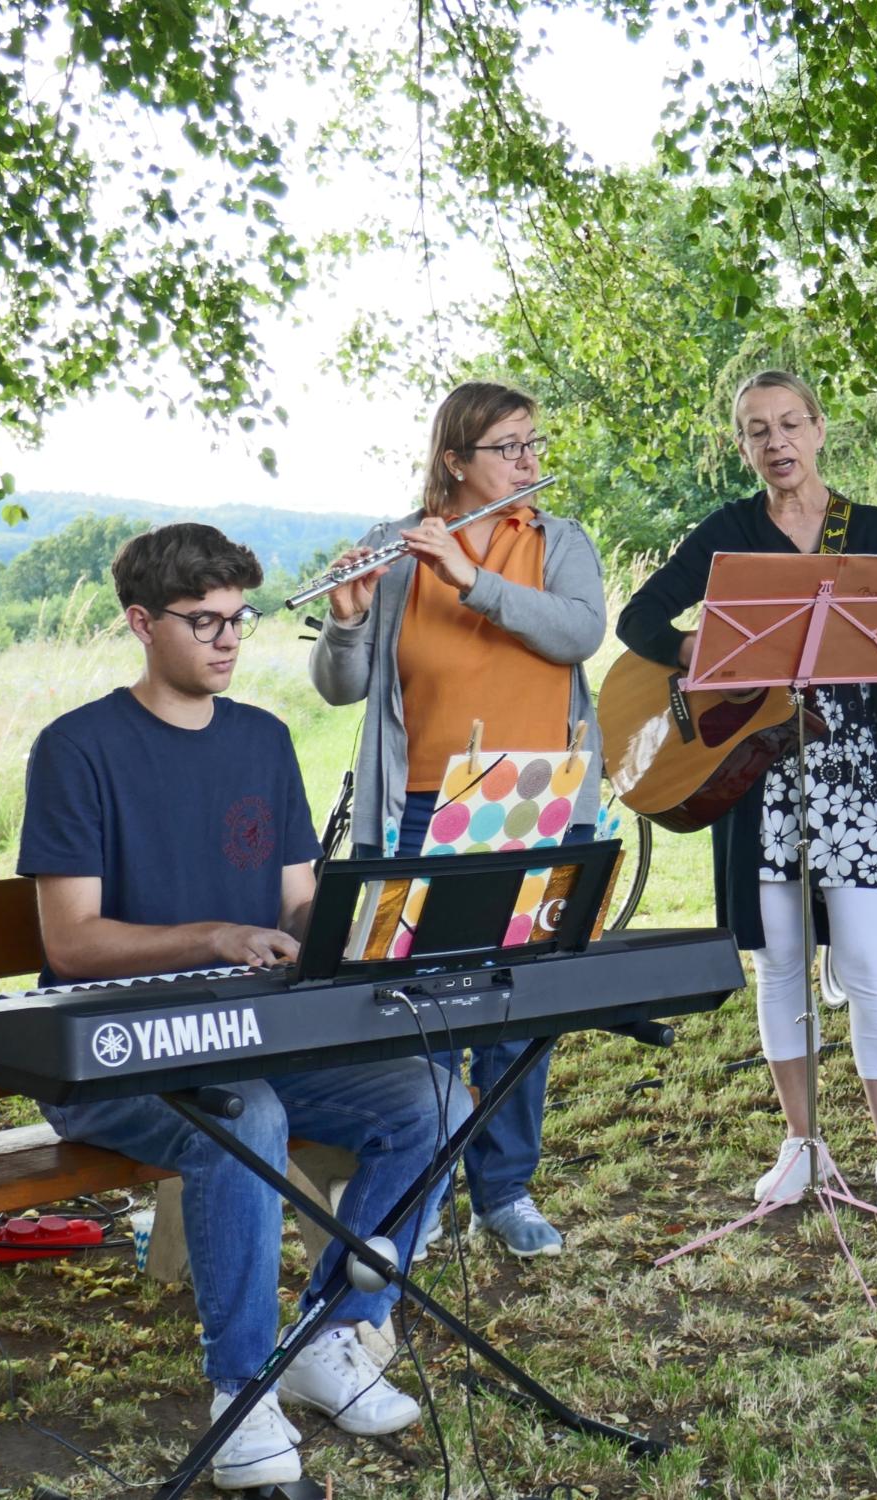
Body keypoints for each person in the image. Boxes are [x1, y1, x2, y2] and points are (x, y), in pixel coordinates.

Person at [21, 524, 467, 1492]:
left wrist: (354, 930)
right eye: (204, 621)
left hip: (258, 1034)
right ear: (141, 624)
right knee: (248, 1116)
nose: (227, 640)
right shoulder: (77, 750)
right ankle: (240, 1390)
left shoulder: (262, 740)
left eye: (239, 619)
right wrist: (216, 935)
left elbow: (299, 899)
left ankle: (325, 1336)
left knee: (432, 1097)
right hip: (116, 1052)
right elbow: (70, 940)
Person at [615, 369, 877, 1223]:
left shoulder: (871, 529)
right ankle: (800, 1144)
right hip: (756, 772)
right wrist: (699, 654)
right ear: (743, 446)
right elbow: (639, 621)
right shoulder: (728, 529)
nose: (777, 442)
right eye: (758, 430)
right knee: (780, 967)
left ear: (820, 429)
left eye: (791, 423)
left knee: (871, 963)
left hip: (854, 768)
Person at [311, 380, 607, 1259]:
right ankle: (424, 1184)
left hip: (536, 795)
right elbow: (340, 688)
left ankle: (504, 1191)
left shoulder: (556, 540)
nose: (529, 462)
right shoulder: (389, 549)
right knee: (423, 1005)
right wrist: (345, 621)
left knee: (519, 1007)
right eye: (509, 447)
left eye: (532, 443)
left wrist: (472, 579)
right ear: (454, 461)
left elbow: (578, 634)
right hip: (419, 803)